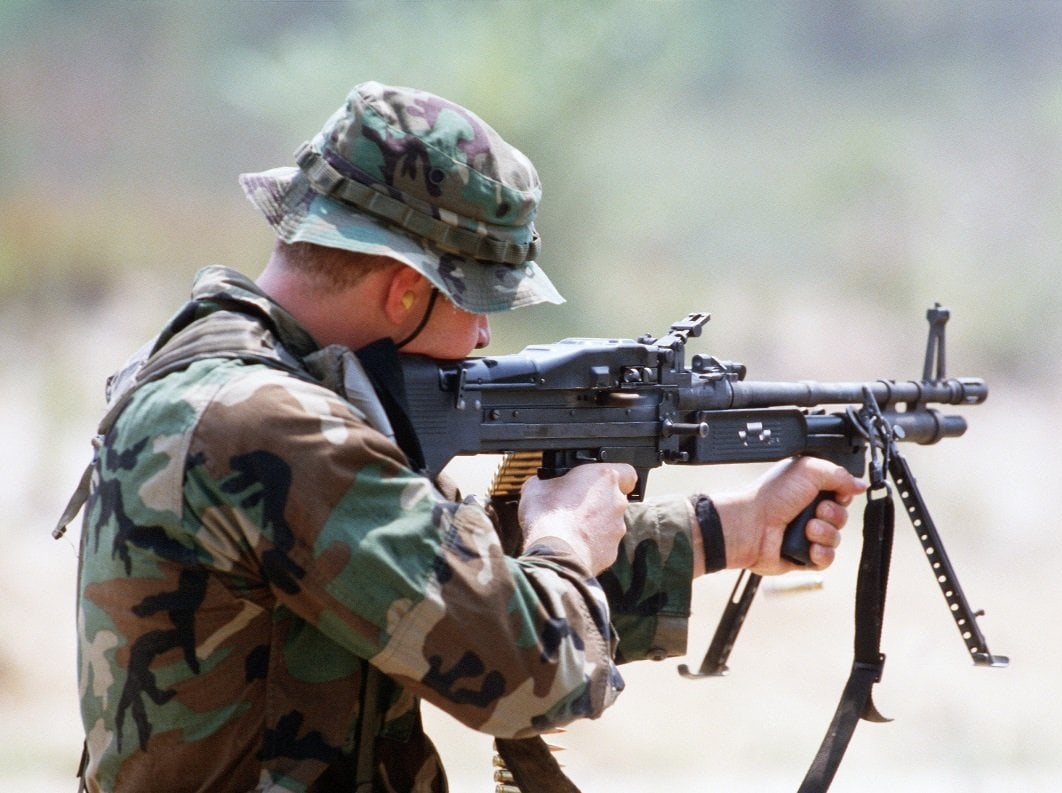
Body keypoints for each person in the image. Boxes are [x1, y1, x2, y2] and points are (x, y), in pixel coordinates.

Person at [66, 82, 865, 792]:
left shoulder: (238, 380)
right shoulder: (273, 425)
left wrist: (733, 527)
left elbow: (457, 594)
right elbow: (529, 670)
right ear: (406, 289)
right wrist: (561, 534)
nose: (484, 334)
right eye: (479, 300)